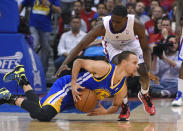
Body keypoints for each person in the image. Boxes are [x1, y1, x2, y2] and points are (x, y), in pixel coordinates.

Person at [55, 5, 156, 121]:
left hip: (131, 44)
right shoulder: (103, 27)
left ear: (126, 20)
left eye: (118, 22)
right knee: (119, 71)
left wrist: (148, 69)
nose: (114, 24)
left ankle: (144, 94)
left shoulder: (136, 25)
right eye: (113, 21)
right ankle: (124, 105)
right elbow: (81, 45)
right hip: (113, 46)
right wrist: (65, 63)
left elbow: (146, 49)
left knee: (143, 73)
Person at [0, 51, 138, 121]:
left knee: (38, 109)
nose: (137, 66)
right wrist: (73, 83)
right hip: (66, 88)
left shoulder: (122, 88)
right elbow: (78, 62)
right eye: (135, 62)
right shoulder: (105, 68)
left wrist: (106, 112)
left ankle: (22, 78)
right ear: (124, 63)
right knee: (43, 115)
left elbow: (115, 106)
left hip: (75, 100)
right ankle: (8, 97)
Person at [19, 0, 61, 73]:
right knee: (34, 44)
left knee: (46, 48)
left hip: (46, 27)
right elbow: (22, 4)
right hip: (33, 25)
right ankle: (28, 66)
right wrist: (17, 16)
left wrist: (50, 5)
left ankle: (43, 71)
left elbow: (59, 10)